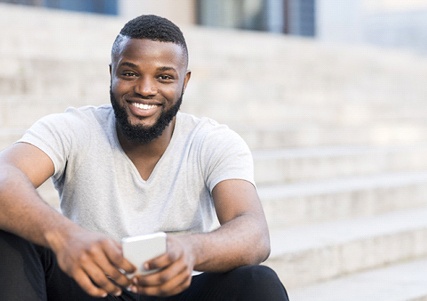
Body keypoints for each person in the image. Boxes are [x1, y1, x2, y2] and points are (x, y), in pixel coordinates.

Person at [0, 15, 289, 300]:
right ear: (111, 73)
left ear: (184, 82)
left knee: (257, 281)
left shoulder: (211, 141)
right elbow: (4, 175)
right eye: (130, 73)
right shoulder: (73, 128)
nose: (145, 89)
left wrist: (190, 250)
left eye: (164, 77)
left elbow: (253, 233)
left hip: (174, 290)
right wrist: (66, 237)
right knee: (9, 233)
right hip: (90, 288)